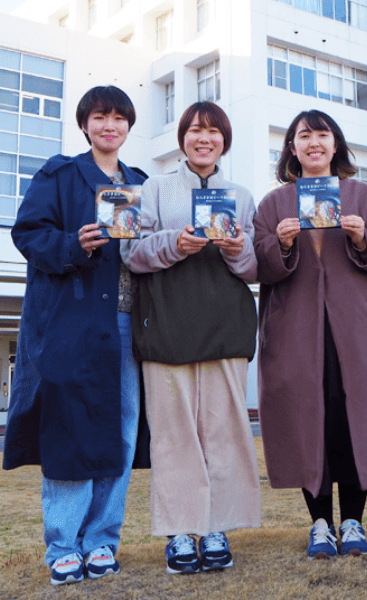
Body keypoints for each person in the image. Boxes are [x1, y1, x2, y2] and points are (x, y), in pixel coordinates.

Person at [4, 85, 150, 586]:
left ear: (129, 126)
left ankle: (103, 540)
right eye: (100, 117)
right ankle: (64, 545)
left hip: (130, 324)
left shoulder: (141, 183)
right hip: (74, 322)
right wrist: (73, 243)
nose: (110, 126)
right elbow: (27, 234)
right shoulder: (60, 174)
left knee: (123, 431)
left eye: (118, 118)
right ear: (85, 124)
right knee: (69, 429)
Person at [254, 109, 367, 560]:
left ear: (336, 144)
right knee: (309, 424)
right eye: (304, 136)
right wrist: (280, 246)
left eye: (322, 135)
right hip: (296, 334)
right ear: (292, 148)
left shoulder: (362, 195)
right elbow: (257, 266)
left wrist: (364, 239)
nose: (314, 143)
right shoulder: (274, 204)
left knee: (352, 422)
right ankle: (320, 523)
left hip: (359, 334)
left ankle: (354, 521)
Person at [121, 101, 261, 575]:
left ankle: (218, 525)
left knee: (223, 431)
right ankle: (181, 531)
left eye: (214, 131)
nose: (205, 139)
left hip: (226, 324)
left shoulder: (241, 195)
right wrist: (173, 244)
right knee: (173, 434)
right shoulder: (154, 188)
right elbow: (131, 252)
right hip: (166, 324)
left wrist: (239, 249)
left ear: (225, 140)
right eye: (196, 130)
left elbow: (257, 269)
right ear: (181, 138)